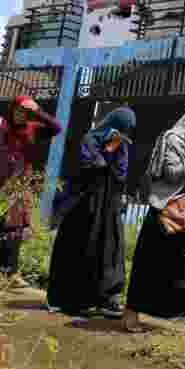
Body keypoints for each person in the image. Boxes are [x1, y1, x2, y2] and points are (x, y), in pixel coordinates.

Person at [122, 100, 185, 340]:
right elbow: (170, 173)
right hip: (164, 208)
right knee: (149, 262)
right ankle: (131, 312)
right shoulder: (173, 138)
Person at [0, 95, 63, 287]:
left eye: (26, 112)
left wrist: (38, 112)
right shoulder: (0, 123)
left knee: (17, 228)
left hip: (19, 186)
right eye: (19, 110)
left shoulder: (33, 129)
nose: (22, 115)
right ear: (12, 109)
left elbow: (56, 128)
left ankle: (11, 272)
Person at [46, 107, 136, 317]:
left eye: (126, 130)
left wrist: (116, 150)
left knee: (109, 250)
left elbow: (121, 174)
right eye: (121, 128)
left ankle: (106, 299)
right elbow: (87, 165)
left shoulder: (122, 145)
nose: (123, 132)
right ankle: (72, 300)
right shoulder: (89, 139)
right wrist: (107, 150)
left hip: (108, 206)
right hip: (84, 205)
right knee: (79, 247)